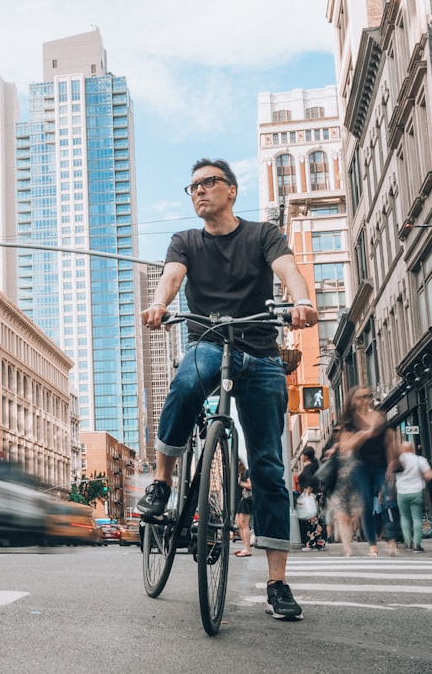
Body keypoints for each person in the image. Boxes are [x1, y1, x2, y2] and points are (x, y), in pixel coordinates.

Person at [137, 158, 318, 621]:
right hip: (208, 342)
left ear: (231, 190)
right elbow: (171, 279)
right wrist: (158, 305)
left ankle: (277, 583)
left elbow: (288, 270)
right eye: (192, 186)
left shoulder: (262, 235)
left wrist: (300, 300)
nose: (198, 191)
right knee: (183, 383)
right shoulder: (185, 241)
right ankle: (162, 482)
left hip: (259, 351)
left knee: (268, 466)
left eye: (207, 183)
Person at [337, 386, 399, 558]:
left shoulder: (378, 416)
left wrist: (392, 462)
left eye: (368, 396)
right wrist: (363, 435)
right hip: (360, 466)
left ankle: (392, 540)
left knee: (388, 498)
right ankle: (372, 545)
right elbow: (344, 447)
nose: (365, 400)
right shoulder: (349, 422)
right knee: (366, 503)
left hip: (381, 464)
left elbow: (388, 440)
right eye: (360, 397)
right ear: (352, 401)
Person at [394, 442, 432, 552]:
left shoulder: (397, 461)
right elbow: (429, 475)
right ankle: (417, 544)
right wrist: (422, 479)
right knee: (417, 518)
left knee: (404, 517)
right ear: (412, 449)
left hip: (401, 493)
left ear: (402, 450)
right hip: (416, 491)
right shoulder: (419, 460)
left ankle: (408, 542)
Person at [297, 446, 326, 551]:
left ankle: (313, 543)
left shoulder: (310, 467)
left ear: (306, 456)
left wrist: (308, 489)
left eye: (302, 455)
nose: (301, 457)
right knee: (315, 519)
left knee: (312, 519)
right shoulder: (312, 466)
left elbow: (312, 479)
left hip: (312, 495)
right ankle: (318, 542)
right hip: (315, 494)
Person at [235, 462, 253, 556]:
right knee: (239, 524)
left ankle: (247, 548)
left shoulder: (246, 472)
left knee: (244, 523)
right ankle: (245, 547)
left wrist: (240, 483)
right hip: (238, 500)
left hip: (244, 500)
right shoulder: (237, 474)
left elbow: (250, 485)